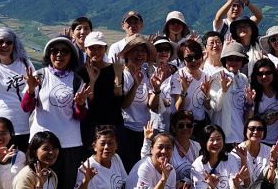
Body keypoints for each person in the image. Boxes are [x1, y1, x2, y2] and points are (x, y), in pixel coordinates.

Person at [21, 36, 89, 189]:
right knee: (40, 186)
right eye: (54, 50)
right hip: (42, 144)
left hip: (69, 143)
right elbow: (26, 107)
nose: (59, 54)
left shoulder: (77, 80)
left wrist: (80, 103)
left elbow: (80, 116)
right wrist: (31, 89)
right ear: (48, 55)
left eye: (64, 51)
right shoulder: (39, 76)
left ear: (71, 56)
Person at [0, 27, 33, 152]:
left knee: (24, 164)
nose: (5, 45)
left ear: (14, 44)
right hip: (0, 126)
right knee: (3, 164)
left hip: (25, 123)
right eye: (0, 42)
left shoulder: (24, 63)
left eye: (9, 42)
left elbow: (35, 86)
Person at [118, 34, 163, 170]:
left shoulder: (145, 74)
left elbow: (151, 105)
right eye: (136, 50)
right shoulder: (121, 75)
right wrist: (135, 85)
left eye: (143, 51)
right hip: (127, 129)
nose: (140, 54)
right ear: (127, 53)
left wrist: (156, 90)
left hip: (144, 131)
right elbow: (124, 104)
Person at [78, 31, 125, 148]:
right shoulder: (81, 73)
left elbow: (119, 100)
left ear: (106, 49)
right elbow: (89, 103)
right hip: (91, 126)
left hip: (114, 124)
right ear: (85, 49)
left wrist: (118, 75)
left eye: (100, 47)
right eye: (92, 48)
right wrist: (92, 81)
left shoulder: (115, 69)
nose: (96, 51)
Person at [209, 41, 251, 143]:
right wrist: (223, 91)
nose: (233, 62)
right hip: (223, 136)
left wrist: (250, 101)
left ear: (242, 62)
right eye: (230, 59)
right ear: (225, 61)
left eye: (237, 59)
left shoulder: (243, 78)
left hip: (240, 134)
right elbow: (215, 106)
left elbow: (244, 107)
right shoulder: (217, 77)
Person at [171, 39, 213, 130]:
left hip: (201, 123)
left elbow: (207, 107)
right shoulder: (178, 76)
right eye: (189, 58)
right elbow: (178, 108)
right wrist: (184, 91)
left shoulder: (206, 77)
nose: (194, 61)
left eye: (197, 56)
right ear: (183, 60)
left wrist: (207, 95)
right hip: (185, 125)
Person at [249, 58, 278, 144]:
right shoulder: (252, 92)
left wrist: (276, 116)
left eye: (268, 73)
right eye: (260, 74)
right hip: (259, 141)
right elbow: (249, 119)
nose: (264, 77)